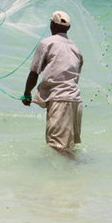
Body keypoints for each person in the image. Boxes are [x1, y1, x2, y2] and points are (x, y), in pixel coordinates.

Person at [22, 11, 83, 157]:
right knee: (68, 146)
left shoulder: (47, 43)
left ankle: (79, 168)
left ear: (52, 25)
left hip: (60, 101)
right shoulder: (76, 49)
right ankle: (71, 176)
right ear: (68, 28)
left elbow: (34, 72)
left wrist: (26, 94)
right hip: (75, 101)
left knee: (57, 146)